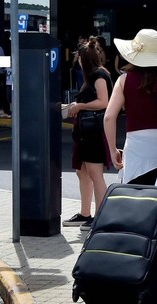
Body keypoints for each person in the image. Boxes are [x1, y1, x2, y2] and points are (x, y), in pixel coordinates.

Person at [104, 28, 157, 287]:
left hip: (136, 153)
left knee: (135, 215)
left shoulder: (123, 81)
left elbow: (108, 117)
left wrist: (112, 150)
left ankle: (137, 268)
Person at [63, 36, 113, 231]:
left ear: (84, 59)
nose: (77, 62)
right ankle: (85, 213)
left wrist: (81, 105)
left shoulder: (99, 75)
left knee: (95, 173)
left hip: (94, 131)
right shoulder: (95, 75)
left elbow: (104, 102)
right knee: (82, 171)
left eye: (79, 59)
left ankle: (99, 217)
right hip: (85, 131)